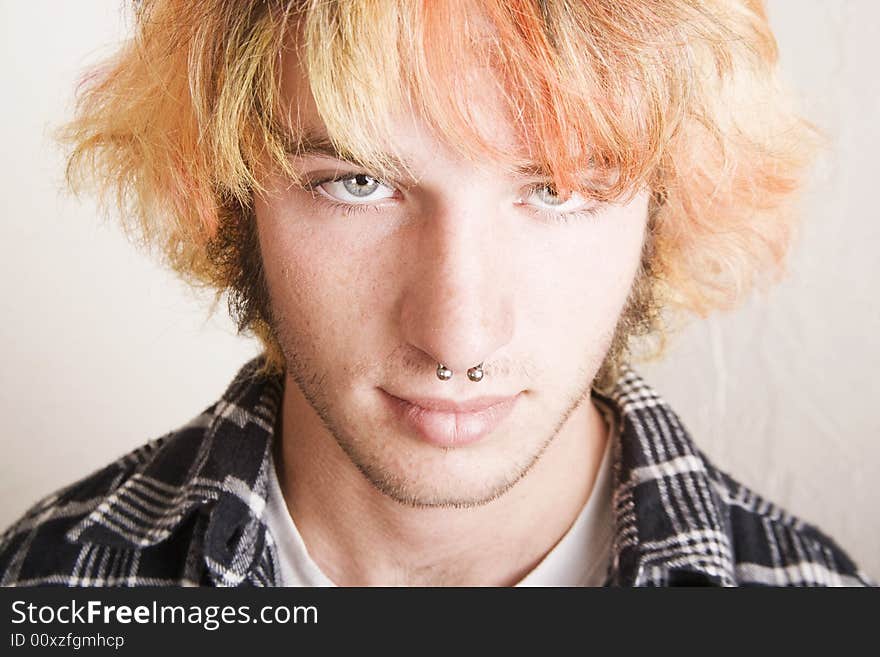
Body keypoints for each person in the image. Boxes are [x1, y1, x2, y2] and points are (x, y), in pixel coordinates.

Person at [0, 0, 872, 587]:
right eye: (356, 182)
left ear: (671, 206)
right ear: (228, 197)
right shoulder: (45, 583)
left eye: (556, 191)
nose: (456, 337)